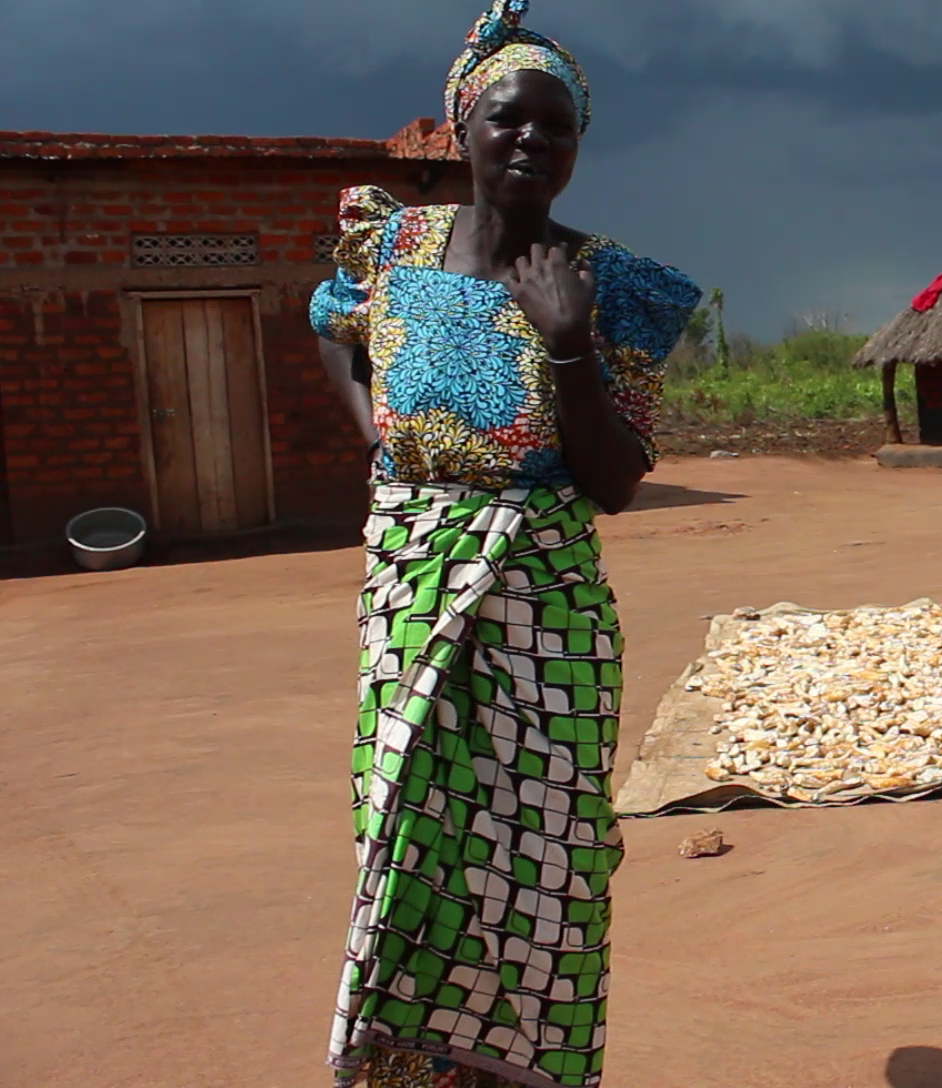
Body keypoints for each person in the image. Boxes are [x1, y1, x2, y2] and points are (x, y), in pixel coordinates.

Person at [307, 2, 701, 1085]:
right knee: (408, 825)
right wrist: (381, 445)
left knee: (550, 852)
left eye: (557, 126)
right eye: (509, 120)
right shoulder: (392, 246)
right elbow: (329, 329)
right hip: (411, 577)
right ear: (461, 127)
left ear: (579, 144)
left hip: (545, 593)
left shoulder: (610, 281)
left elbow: (617, 483)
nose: (533, 140)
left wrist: (568, 341)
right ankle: (408, 1064)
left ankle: (525, 1067)